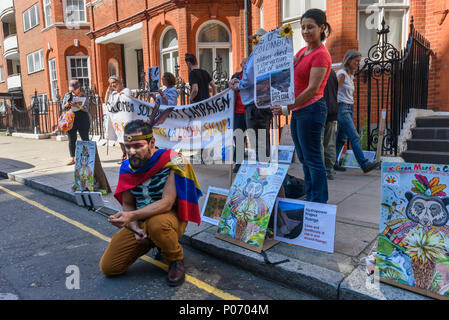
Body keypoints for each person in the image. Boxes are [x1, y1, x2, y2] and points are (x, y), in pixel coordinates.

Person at [99, 119, 203, 286]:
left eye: (138, 146)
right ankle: (156, 242)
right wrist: (134, 228)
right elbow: (129, 204)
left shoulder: (174, 160)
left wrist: (131, 216)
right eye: (127, 146)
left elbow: (167, 203)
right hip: (140, 220)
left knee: (157, 223)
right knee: (109, 268)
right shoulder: (126, 167)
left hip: (169, 219)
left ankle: (175, 259)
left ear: (152, 142)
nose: (131, 151)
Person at [272, 9, 332, 204]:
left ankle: (318, 202)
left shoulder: (321, 54)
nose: (306, 31)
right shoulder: (301, 52)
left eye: (311, 27)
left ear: (322, 28)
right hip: (299, 111)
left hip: (312, 110)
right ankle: (311, 196)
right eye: (303, 27)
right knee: (305, 160)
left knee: (313, 159)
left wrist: (285, 108)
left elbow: (312, 89)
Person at [230, 28, 273, 163]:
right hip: (262, 103)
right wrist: (241, 82)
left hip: (255, 106)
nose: (254, 42)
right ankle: (264, 171)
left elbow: (249, 80)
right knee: (262, 143)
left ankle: (264, 174)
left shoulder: (258, 56)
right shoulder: (268, 56)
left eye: (256, 40)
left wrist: (238, 85)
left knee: (258, 144)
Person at [334, 50, 380, 174]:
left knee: (341, 138)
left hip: (349, 108)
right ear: (349, 60)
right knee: (354, 136)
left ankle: (333, 162)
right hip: (342, 108)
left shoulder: (350, 75)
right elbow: (334, 92)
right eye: (356, 61)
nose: (358, 63)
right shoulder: (342, 74)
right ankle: (364, 164)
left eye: (359, 61)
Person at [104, 75, 132, 163]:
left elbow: (130, 100)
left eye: (114, 82)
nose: (113, 85)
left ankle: (129, 156)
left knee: (127, 139)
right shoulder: (113, 94)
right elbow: (106, 103)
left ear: (119, 82)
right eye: (111, 83)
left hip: (126, 121)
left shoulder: (126, 90)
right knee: (120, 139)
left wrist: (122, 95)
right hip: (117, 122)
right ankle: (124, 155)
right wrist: (108, 91)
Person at [62, 79, 90, 166]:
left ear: (79, 88)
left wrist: (78, 105)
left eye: (74, 89)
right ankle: (72, 158)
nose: (72, 90)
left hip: (83, 119)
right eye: (71, 89)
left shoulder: (84, 96)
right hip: (71, 120)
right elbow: (63, 107)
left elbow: (86, 109)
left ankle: (87, 157)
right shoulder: (67, 95)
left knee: (85, 139)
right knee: (72, 139)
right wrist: (66, 105)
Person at [231, 57, 248, 172]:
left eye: (248, 64)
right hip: (238, 112)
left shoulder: (253, 77)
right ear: (241, 65)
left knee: (257, 136)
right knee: (238, 137)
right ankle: (239, 162)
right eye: (244, 64)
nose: (246, 66)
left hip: (251, 111)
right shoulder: (235, 77)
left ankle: (258, 162)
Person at [321, 68, 338, 180]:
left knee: (319, 144)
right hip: (332, 110)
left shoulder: (317, 70)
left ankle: (322, 172)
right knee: (330, 143)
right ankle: (330, 171)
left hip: (320, 110)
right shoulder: (332, 72)